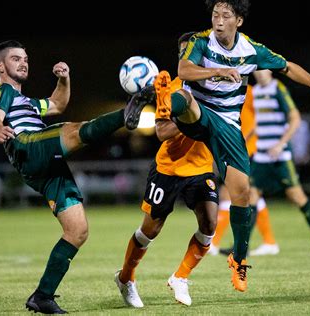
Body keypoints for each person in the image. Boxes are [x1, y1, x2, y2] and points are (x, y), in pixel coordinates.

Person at [153, 0, 310, 292]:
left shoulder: (251, 51)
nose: (218, 20)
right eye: (215, 14)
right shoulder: (199, 42)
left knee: (242, 193)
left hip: (229, 125)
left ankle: (238, 261)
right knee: (185, 100)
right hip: (202, 110)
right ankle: (164, 102)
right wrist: (217, 72)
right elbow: (184, 70)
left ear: (238, 21)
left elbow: (286, 67)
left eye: (225, 15)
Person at [0, 40, 150, 314]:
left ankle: (42, 297)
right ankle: (127, 113)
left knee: (77, 230)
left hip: (44, 165)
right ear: (0, 66)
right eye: (16, 59)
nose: (23, 62)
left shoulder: (26, 101)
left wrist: (64, 79)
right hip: (28, 145)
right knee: (74, 130)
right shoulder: (2, 91)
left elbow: (57, 104)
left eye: (25, 58)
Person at [114, 32, 218, 308]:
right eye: (185, 53)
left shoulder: (215, 87)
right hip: (169, 169)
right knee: (150, 230)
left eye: (195, 52)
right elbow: (161, 131)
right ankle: (125, 278)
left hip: (201, 167)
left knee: (209, 225)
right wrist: (198, 118)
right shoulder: (170, 88)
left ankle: (180, 277)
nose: (190, 57)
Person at [249, 70, 310, 254]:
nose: (259, 72)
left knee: (296, 196)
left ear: (269, 70)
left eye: (262, 68)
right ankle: (241, 247)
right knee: (251, 196)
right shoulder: (255, 92)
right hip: (261, 155)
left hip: (280, 156)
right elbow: (258, 122)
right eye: (256, 69)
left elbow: (295, 119)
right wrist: (246, 138)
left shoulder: (277, 88)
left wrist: (281, 144)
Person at [210, 85, 279, 256]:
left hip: (249, 149)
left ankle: (213, 242)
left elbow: (260, 117)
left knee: (229, 192)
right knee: (252, 195)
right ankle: (269, 241)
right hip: (236, 149)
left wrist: (244, 137)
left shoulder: (248, 91)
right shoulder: (223, 90)